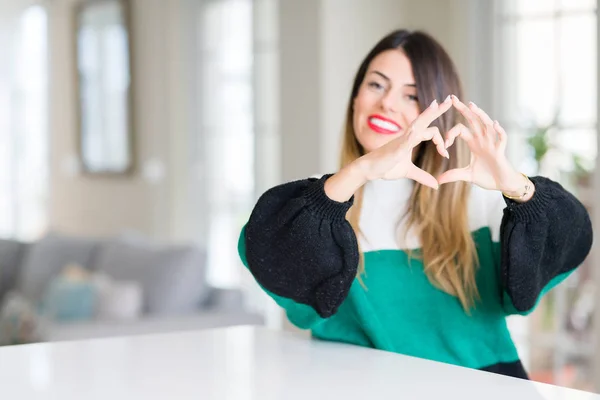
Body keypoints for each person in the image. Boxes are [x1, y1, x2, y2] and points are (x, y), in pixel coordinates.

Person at [237, 29, 593, 379]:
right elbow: (266, 256)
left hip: (483, 384)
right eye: (376, 85)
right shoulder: (321, 204)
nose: (387, 103)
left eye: (412, 95)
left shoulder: (478, 200)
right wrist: (358, 172)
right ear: (355, 99)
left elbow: (570, 239)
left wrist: (514, 184)